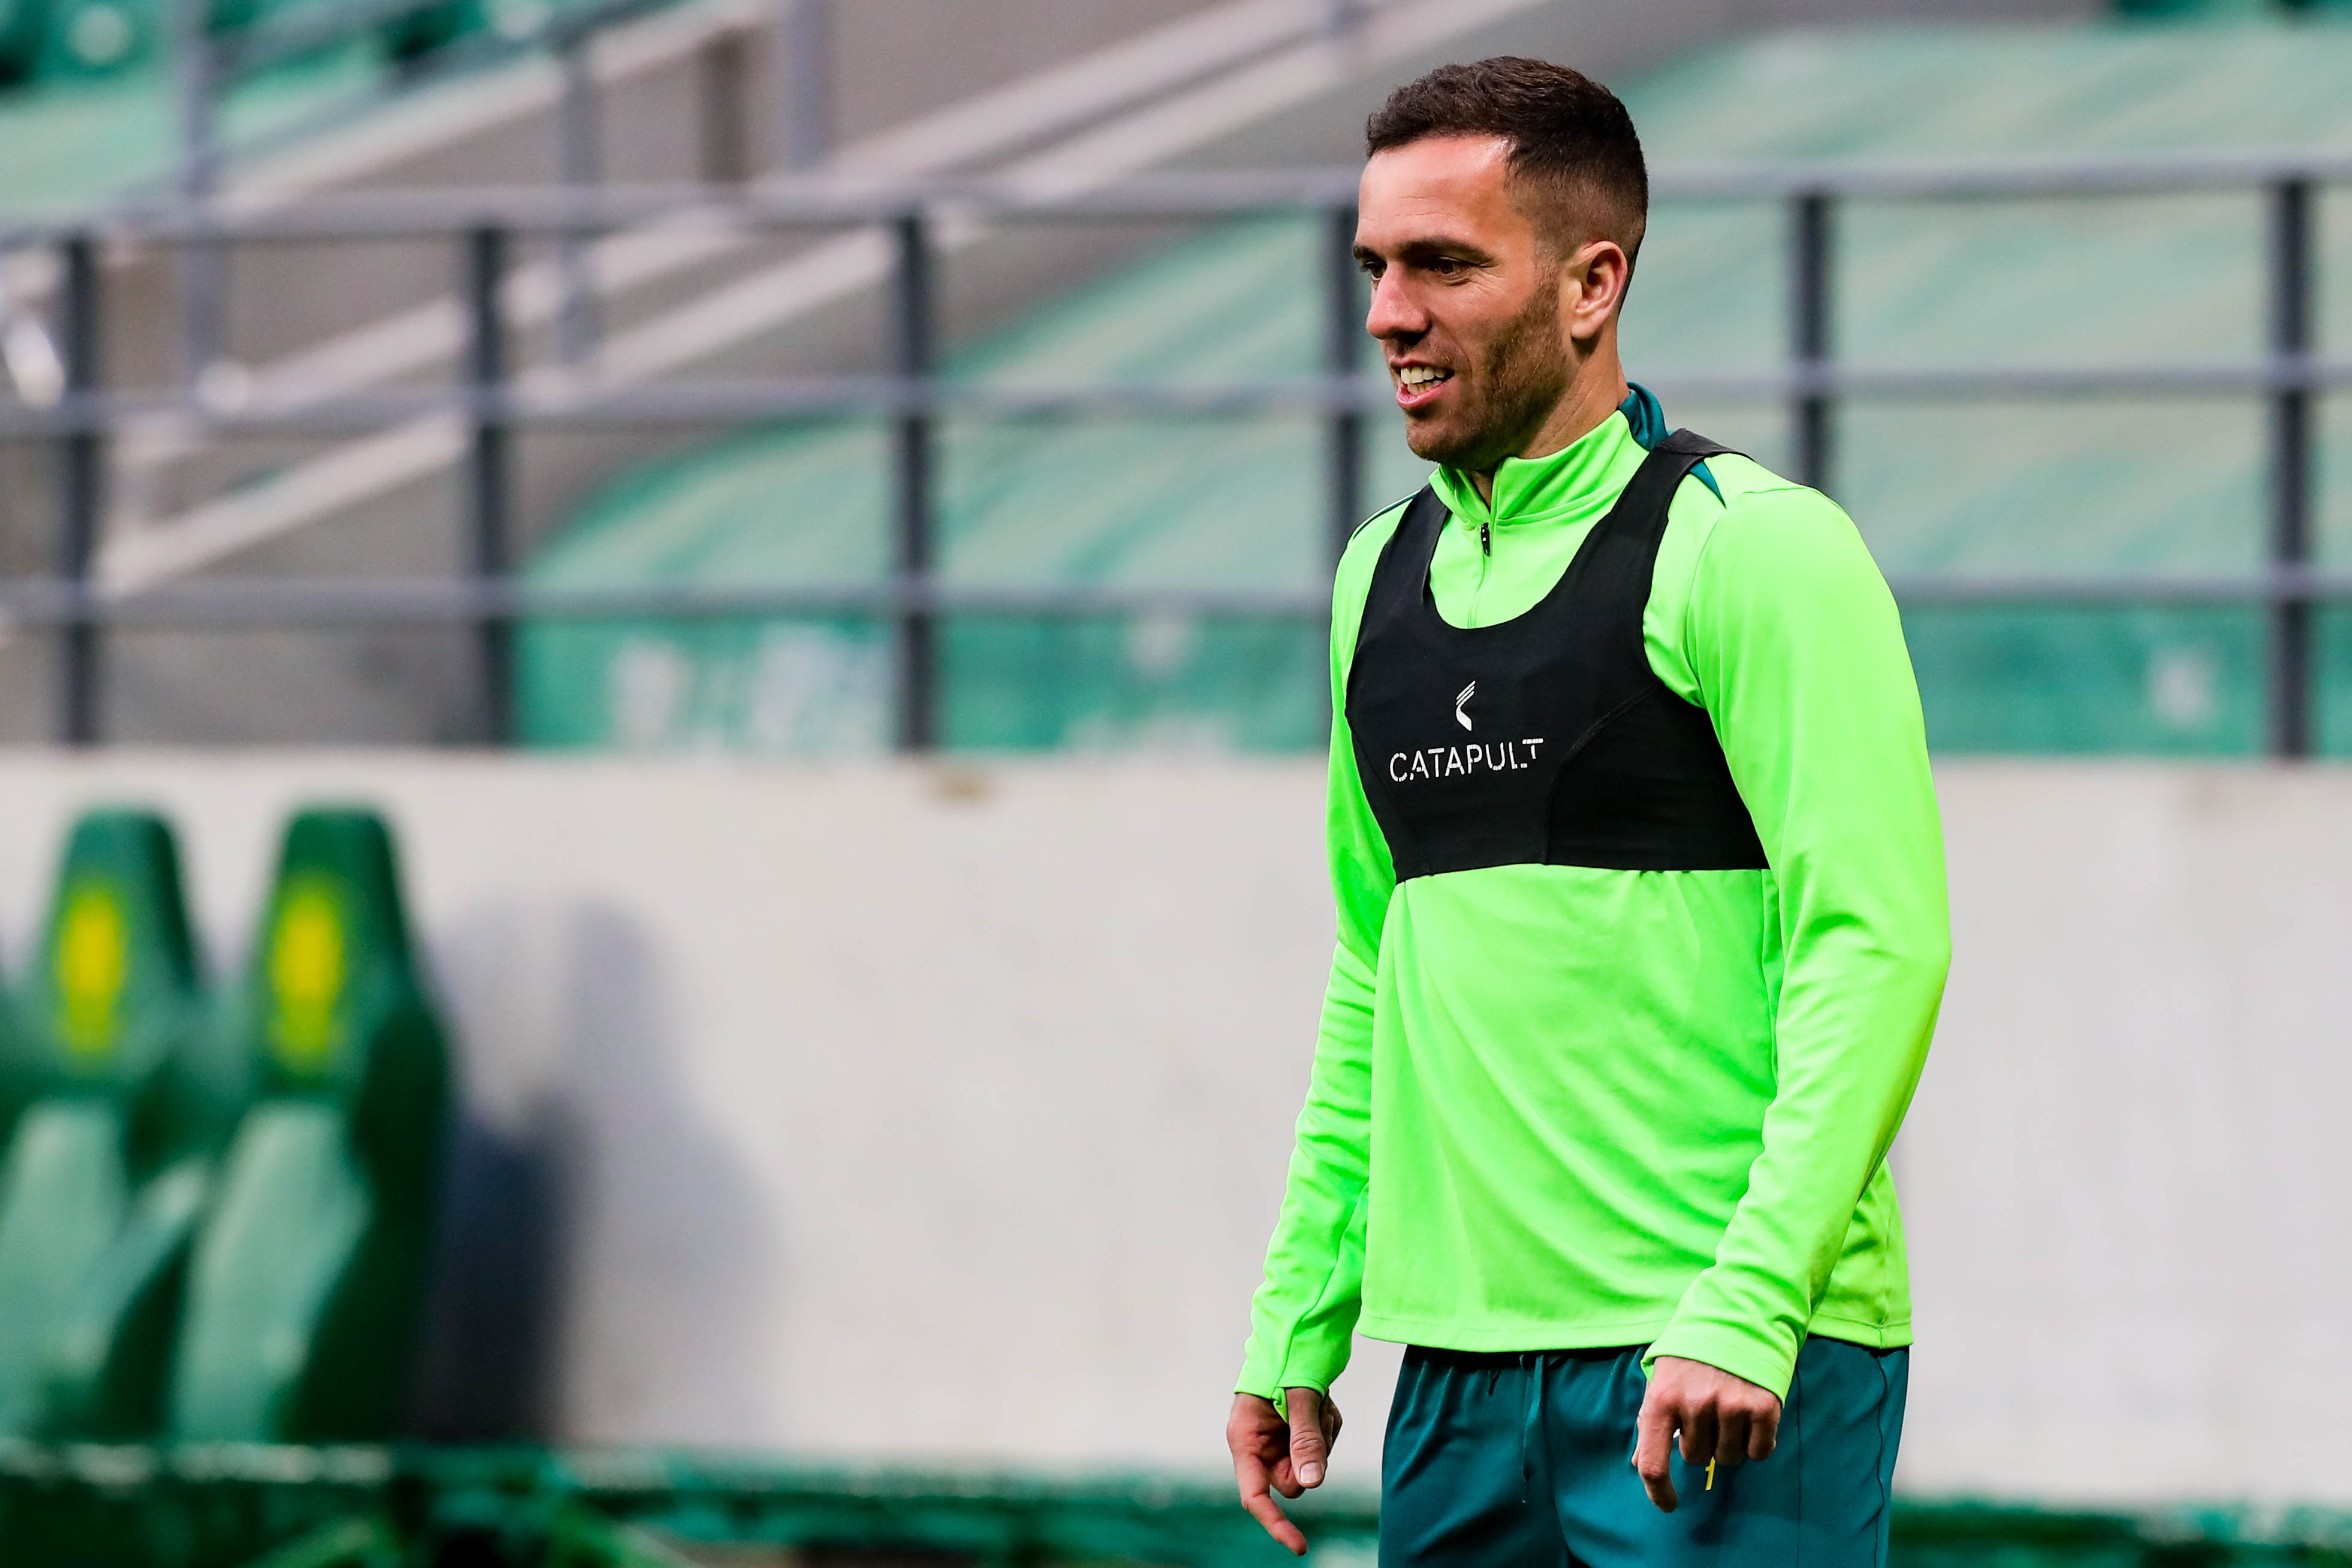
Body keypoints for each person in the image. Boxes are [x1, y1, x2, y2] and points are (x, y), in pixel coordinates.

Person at [1225, 57, 1950, 1568]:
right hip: (1456, 1377)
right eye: (1374, 268)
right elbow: (1374, 966)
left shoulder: (1756, 551)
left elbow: (1875, 944)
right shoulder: (1375, 581)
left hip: (1718, 1359)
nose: (1389, 314)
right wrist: (1303, 1307)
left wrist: (1752, 1300)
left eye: (1444, 265)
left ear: (1591, 285)